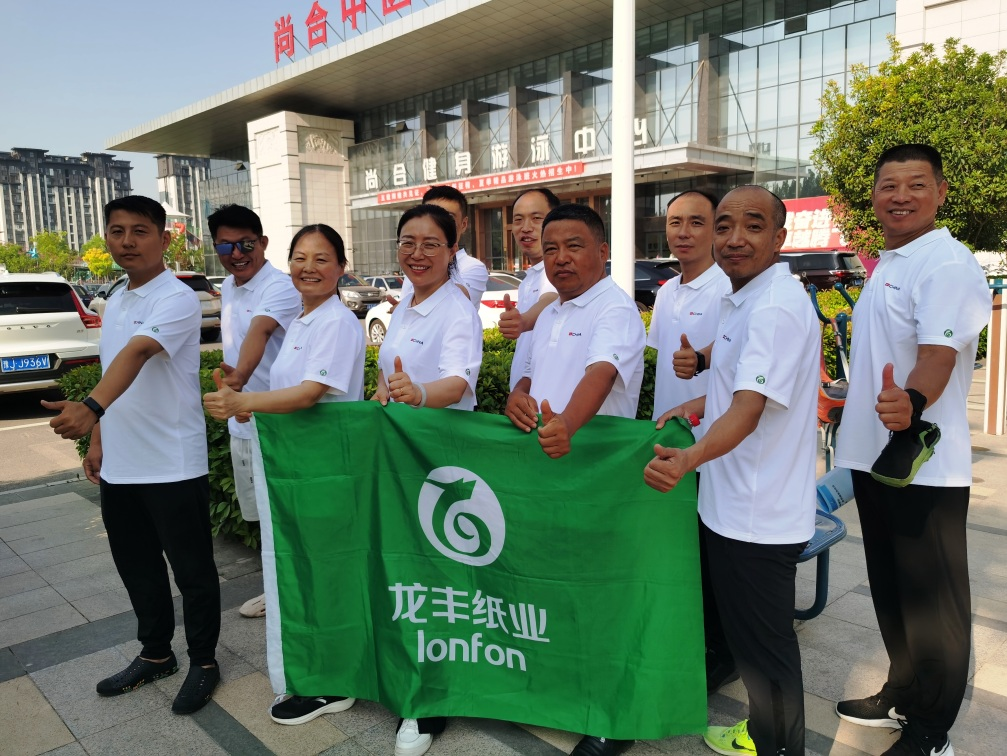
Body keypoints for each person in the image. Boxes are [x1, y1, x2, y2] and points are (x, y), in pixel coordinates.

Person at [644, 186, 818, 756]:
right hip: (734, 501)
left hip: (757, 512)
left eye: (753, 226)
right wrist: (695, 406)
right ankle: (764, 734)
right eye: (725, 226)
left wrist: (689, 458)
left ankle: (778, 745)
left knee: (766, 652)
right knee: (750, 643)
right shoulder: (743, 297)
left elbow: (748, 409)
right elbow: (735, 384)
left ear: (779, 237)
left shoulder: (774, 308)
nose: (734, 239)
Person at [833, 145, 990, 756]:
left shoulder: (946, 263)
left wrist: (914, 401)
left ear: (941, 192)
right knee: (891, 589)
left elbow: (938, 354)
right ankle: (902, 690)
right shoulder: (892, 261)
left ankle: (931, 731)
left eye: (916, 184)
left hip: (925, 466)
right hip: (877, 459)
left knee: (932, 605)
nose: (900, 196)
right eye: (888, 185)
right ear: (874, 195)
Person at [42, 195, 221, 715]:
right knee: (137, 567)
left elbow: (140, 353)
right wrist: (98, 439)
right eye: (117, 231)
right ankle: (156, 654)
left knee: (192, 571)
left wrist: (89, 408)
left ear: (163, 239)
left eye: (140, 231)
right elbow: (111, 371)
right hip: (122, 464)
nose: (127, 242)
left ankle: (204, 662)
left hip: (172, 462)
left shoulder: (177, 298)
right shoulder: (116, 298)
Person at [203, 223, 366, 726]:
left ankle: (335, 682)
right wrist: (248, 398)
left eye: (322, 259)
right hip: (300, 469)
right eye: (300, 258)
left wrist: (244, 402)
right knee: (307, 573)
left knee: (326, 574)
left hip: (326, 471)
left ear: (341, 268)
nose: (308, 268)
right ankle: (316, 670)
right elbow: (289, 390)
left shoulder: (337, 322)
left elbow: (311, 393)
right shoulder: (303, 319)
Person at [506, 203, 645, 756]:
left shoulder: (615, 308)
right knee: (556, 587)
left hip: (595, 478)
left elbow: (601, 373)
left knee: (601, 596)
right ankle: (565, 691)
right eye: (551, 248)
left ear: (602, 251)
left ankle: (615, 717)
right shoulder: (552, 312)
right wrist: (517, 396)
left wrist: (567, 423)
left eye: (574, 246)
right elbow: (529, 376)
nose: (560, 258)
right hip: (549, 473)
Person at [372, 203, 483, 756]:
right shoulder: (406, 306)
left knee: (440, 580)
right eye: (407, 242)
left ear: (451, 250)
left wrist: (418, 394)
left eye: (430, 244)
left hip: (440, 462)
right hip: (401, 458)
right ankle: (409, 672)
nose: (417, 254)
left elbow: (458, 382)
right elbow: (387, 377)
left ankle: (431, 701)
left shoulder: (456, 309)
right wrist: (384, 398)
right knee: (409, 573)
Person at [648, 190, 737, 695]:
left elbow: (740, 374)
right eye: (675, 222)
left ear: (715, 229)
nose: (683, 232)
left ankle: (722, 654)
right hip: (671, 443)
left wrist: (699, 377)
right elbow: (663, 366)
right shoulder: (666, 292)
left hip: (713, 446)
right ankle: (692, 640)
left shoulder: (729, 288)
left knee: (713, 557)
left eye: (696, 222)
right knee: (681, 551)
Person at [208, 204, 301, 620]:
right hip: (244, 423)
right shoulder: (229, 286)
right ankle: (277, 589)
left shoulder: (279, 287)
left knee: (286, 514)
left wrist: (239, 381)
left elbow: (259, 334)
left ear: (262, 242)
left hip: (279, 423)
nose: (236, 254)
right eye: (225, 246)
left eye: (245, 244)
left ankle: (294, 596)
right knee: (264, 515)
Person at [497, 187, 560, 389]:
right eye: (518, 220)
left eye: (536, 218)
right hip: (524, 396)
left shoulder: (557, 271)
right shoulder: (528, 279)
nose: (525, 227)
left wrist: (523, 320)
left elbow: (550, 298)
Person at [397, 185, 488, 309]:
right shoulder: (415, 263)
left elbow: (456, 300)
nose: (436, 224)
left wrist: (407, 309)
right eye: (430, 215)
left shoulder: (473, 267)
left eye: (447, 217)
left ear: (464, 224)